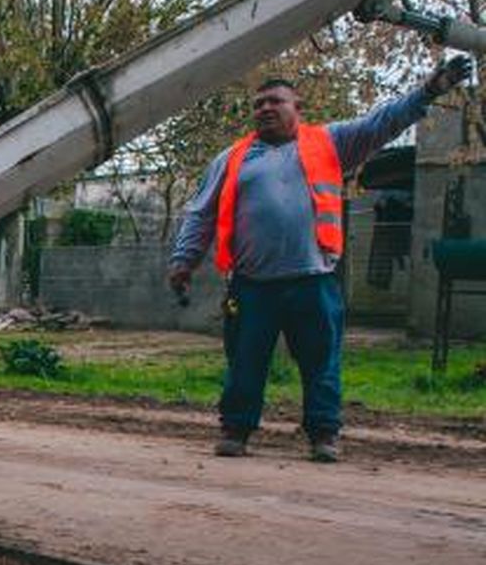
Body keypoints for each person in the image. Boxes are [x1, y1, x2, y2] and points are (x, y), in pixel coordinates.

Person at [168, 56, 473, 463]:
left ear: (298, 108)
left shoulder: (330, 143)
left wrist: (430, 89)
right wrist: (183, 260)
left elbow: (382, 121)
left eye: (275, 101)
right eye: (258, 104)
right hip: (251, 284)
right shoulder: (232, 159)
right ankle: (236, 430)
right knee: (244, 361)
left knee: (321, 364)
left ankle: (323, 435)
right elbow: (201, 213)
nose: (265, 109)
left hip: (313, 280)